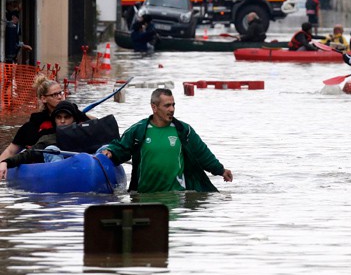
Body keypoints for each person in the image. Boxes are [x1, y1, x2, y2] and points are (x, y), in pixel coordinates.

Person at [102, 88, 233, 193]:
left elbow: (202, 153)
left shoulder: (183, 130)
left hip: (176, 195)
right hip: (144, 195)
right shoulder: (139, 130)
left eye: (173, 105)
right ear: (154, 107)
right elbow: (122, 147)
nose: (172, 109)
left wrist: (221, 170)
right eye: (167, 106)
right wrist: (111, 152)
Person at [0, 75, 91, 179]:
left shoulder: (76, 114)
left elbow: (94, 128)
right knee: (51, 149)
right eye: (55, 95)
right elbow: (11, 151)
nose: (60, 97)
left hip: (77, 160)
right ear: (43, 99)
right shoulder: (33, 126)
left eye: (61, 93)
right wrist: (3, 163)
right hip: (47, 164)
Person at [0, 101, 110, 174]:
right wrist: (6, 162)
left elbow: (110, 139)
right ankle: (59, 172)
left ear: (74, 119)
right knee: (51, 150)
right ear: (55, 120)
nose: (62, 121)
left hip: (90, 170)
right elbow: (29, 153)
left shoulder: (87, 134)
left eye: (67, 117)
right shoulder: (50, 138)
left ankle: (104, 169)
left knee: (105, 148)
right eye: (59, 117)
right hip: (61, 173)